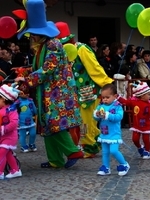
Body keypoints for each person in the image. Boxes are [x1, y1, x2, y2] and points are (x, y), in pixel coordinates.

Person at [15, 0, 83, 168]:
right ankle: (55, 160)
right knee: (46, 126)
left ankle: (73, 150)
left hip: (56, 93)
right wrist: (25, 72)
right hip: (46, 92)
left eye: (32, 34)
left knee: (54, 125)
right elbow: (39, 67)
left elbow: (48, 69)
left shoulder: (53, 44)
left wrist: (27, 79)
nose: (31, 38)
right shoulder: (43, 46)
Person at [55, 21, 114, 158]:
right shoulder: (63, 53)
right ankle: (98, 142)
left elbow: (94, 67)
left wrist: (107, 84)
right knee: (83, 121)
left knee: (87, 122)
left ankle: (90, 147)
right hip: (76, 93)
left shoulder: (82, 49)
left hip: (88, 92)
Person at [93, 83, 130, 176]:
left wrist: (108, 115)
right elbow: (97, 119)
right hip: (104, 133)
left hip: (114, 133)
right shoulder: (100, 105)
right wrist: (96, 115)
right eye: (103, 97)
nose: (104, 99)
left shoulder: (117, 106)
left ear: (115, 96)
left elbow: (119, 117)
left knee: (113, 150)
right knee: (105, 151)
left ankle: (124, 164)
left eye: (107, 97)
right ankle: (106, 167)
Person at [118, 81, 150, 159]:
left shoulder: (149, 104)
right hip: (136, 125)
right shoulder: (134, 101)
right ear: (142, 95)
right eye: (148, 94)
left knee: (146, 139)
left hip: (146, 125)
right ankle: (140, 147)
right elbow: (126, 102)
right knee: (135, 139)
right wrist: (118, 98)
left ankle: (147, 151)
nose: (149, 96)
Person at [0, 84, 22, 179]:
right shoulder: (2, 110)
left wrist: (3, 129)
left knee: (1, 153)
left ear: (4, 99)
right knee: (8, 154)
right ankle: (15, 170)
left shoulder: (11, 110)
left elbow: (14, 123)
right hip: (3, 136)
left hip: (9, 137)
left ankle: (0, 172)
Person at [13, 82, 37, 153]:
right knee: (22, 135)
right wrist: (16, 121)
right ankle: (23, 146)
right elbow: (14, 112)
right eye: (25, 93)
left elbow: (34, 108)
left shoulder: (30, 100)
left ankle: (31, 144)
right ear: (20, 93)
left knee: (33, 133)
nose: (27, 95)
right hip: (21, 122)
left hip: (30, 121)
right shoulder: (17, 102)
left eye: (28, 93)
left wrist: (35, 112)